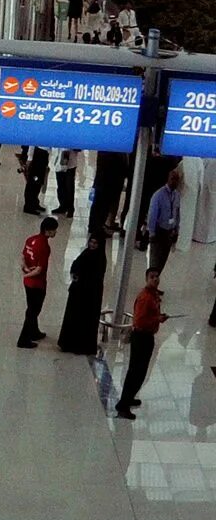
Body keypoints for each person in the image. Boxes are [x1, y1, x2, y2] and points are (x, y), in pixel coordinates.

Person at [116, 268, 167, 420]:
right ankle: (123, 404)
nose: (155, 279)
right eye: (152, 277)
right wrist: (157, 319)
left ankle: (129, 397)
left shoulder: (153, 296)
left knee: (140, 371)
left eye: (157, 276)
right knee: (135, 372)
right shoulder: (145, 298)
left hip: (147, 336)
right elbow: (139, 321)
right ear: (146, 279)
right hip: (141, 337)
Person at [56, 238, 108, 354]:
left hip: (89, 295)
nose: (92, 245)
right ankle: (68, 344)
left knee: (84, 320)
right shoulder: (86, 253)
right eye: (91, 242)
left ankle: (80, 346)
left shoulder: (100, 259)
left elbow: (96, 277)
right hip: (78, 292)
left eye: (95, 243)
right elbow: (76, 265)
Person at [17, 217, 55, 348]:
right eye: (54, 230)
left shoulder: (31, 239)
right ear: (48, 231)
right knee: (33, 311)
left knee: (31, 307)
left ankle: (34, 331)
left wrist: (25, 270)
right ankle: (24, 339)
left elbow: (23, 256)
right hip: (37, 284)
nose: (55, 232)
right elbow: (40, 269)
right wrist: (29, 273)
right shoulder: (44, 247)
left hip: (28, 282)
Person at [147, 164, 186, 277]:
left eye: (176, 180)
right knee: (154, 261)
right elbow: (152, 215)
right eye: (172, 179)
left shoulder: (177, 195)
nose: (174, 182)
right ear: (168, 179)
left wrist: (176, 229)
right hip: (159, 232)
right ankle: (150, 285)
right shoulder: (158, 195)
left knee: (163, 260)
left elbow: (177, 213)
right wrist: (152, 233)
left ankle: (155, 284)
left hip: (169, 233)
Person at [20, 146, 51, 216]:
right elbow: (32, 143)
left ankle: (34, 202)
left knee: (38, 182)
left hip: (44, 155)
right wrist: (30, 158)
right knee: (33, 182)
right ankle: (28, 206)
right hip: (37, 155)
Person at [52, 146, 80, 219]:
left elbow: (79, 148)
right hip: (58, 163)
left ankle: (70, 208)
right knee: (60, 186)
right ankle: (62, 206)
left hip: (70, 165)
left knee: (69, 187)